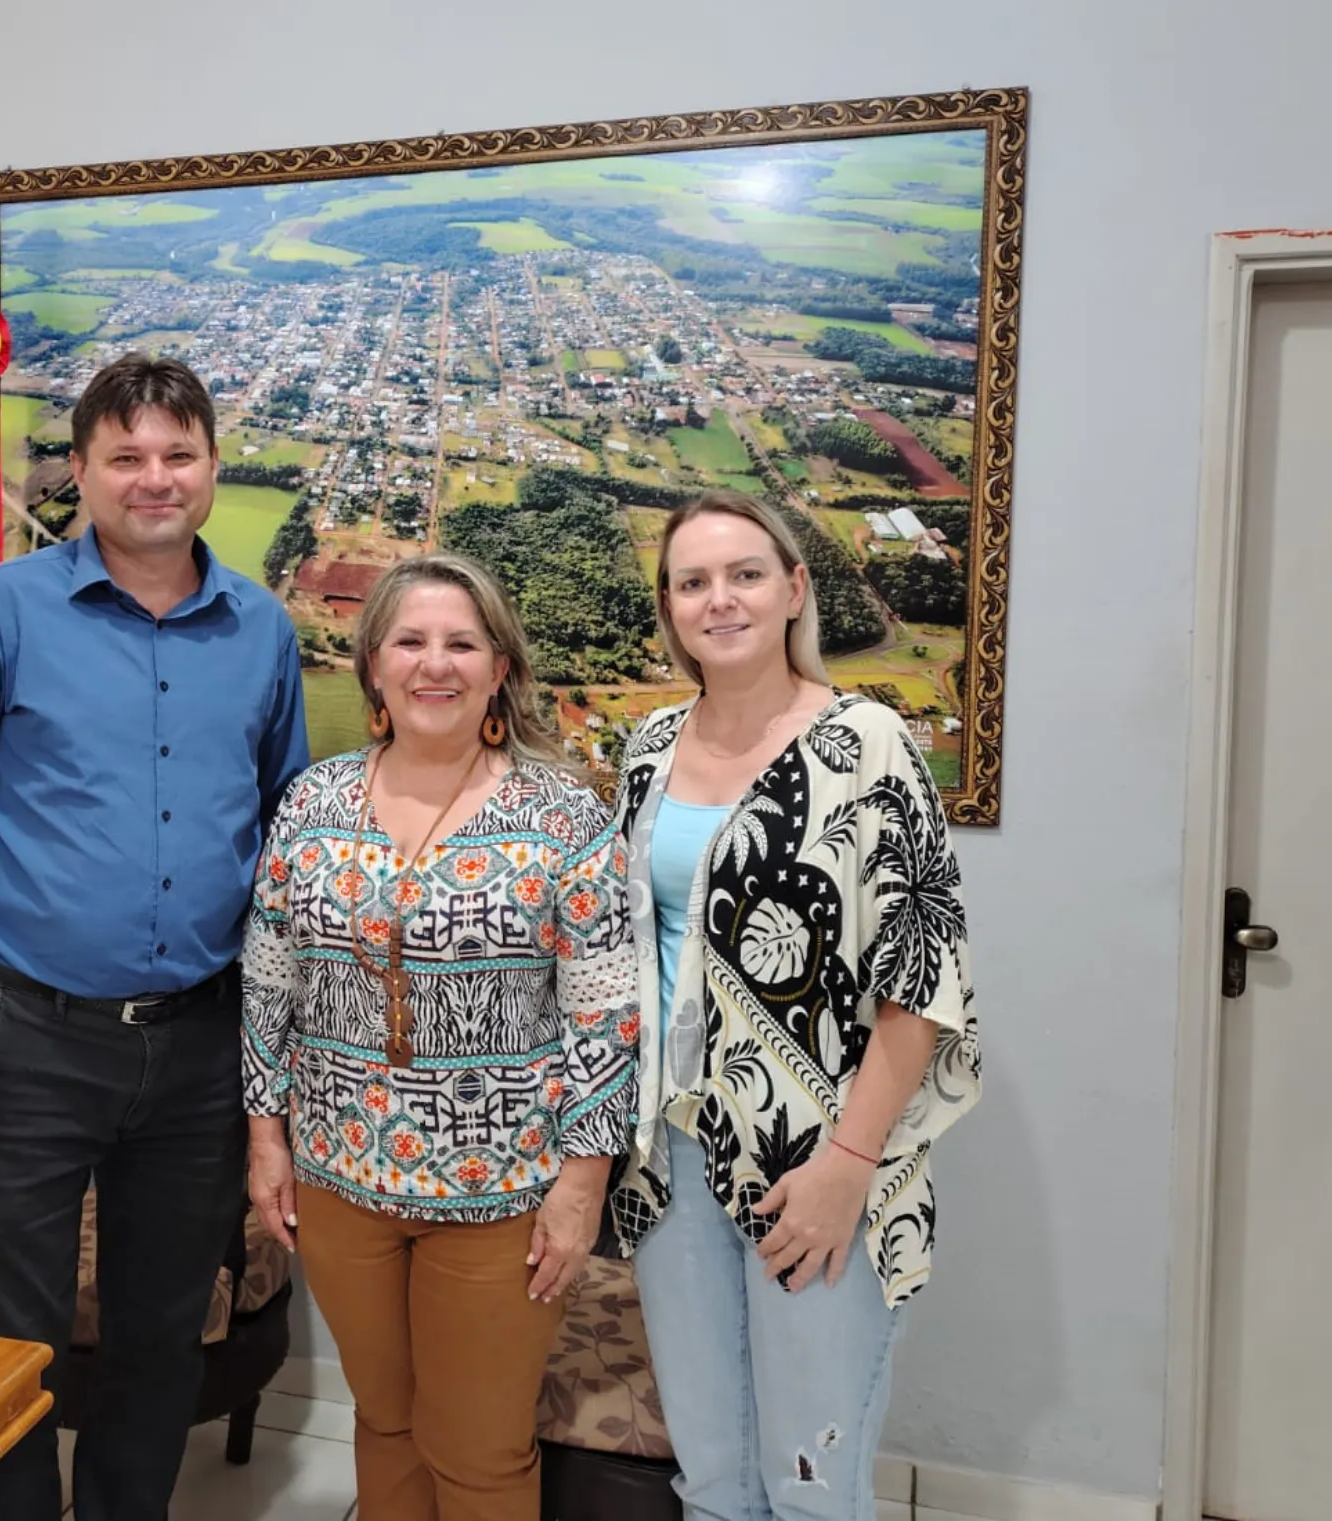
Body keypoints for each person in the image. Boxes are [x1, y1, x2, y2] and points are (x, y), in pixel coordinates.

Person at [0, 354, 309, 1521]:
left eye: (177, 455)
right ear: (80, 471)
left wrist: (285, 1058)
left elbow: (287, 834)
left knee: (161, 1339)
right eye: (125, 457)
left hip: (199, 1047)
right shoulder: (3, 610)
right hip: (19, 1035)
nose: (152, 479)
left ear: (213, 466)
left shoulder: (262, 633)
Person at [604, 490, 981, 1520]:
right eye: (691, 582)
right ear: (669, 607)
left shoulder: (867, 747)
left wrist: (846, 1167)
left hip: (816, 1155)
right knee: (714, 1480)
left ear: (791, 590)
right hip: (671, 1154)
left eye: (743, 575)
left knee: (808, 1487)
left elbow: (922, 979)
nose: (717, 599)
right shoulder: (646, 751)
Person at [242, 553, 637, 1521]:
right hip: (338, 1183)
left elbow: (605, 1014)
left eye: (461, 643)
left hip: (500, 1194)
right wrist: (265, 1139)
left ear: (499, 666)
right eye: (409, 642)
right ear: (370, 663)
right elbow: (267, 982)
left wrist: (582, 1185)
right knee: (381, 1419)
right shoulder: (312, 803)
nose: (434, 664)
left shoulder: (563, 815)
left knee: (477, 1449)